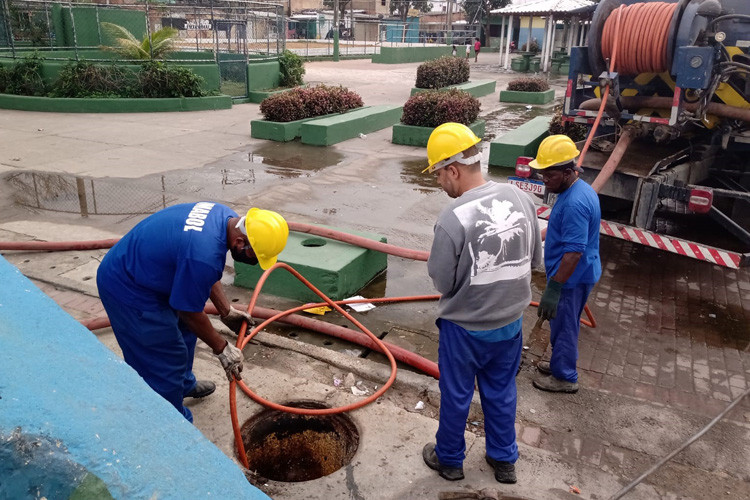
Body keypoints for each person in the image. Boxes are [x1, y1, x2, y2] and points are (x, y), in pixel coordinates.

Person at [421, 123, 542, 484]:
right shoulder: (522, 199)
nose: (440, 183)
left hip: (464, 331)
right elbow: (535, 261)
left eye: (439, 175)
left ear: (453, 170)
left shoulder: (453, 218)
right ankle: (504, 461)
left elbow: (442, 281)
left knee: (457, 395)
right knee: (502, 391)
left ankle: (450, 461)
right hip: (510, 326)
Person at [96, 203, 288, 422]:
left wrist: (226, 311)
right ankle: (172, 421)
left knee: (188, 333)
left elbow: (205, 272)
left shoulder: (225, 217)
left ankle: (183, 384)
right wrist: (223, 349)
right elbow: (188, 310)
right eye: (254, 257)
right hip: (128, 287)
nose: (254, 263)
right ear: (240, 241)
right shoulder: (202, 253)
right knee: (163, 357)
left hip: (149, 270)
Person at [530, 135, 601, 393]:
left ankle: (565, 377)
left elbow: (573, 252)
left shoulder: (575, 203)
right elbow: (561, 231)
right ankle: (560, 362)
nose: (545, 182)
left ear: (569, 171)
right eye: (542, 176)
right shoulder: (575, 189)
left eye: (549, 176)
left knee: (565, 325)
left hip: (571, 278)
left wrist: (555, 288)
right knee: (562, 323)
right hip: (575, 274)